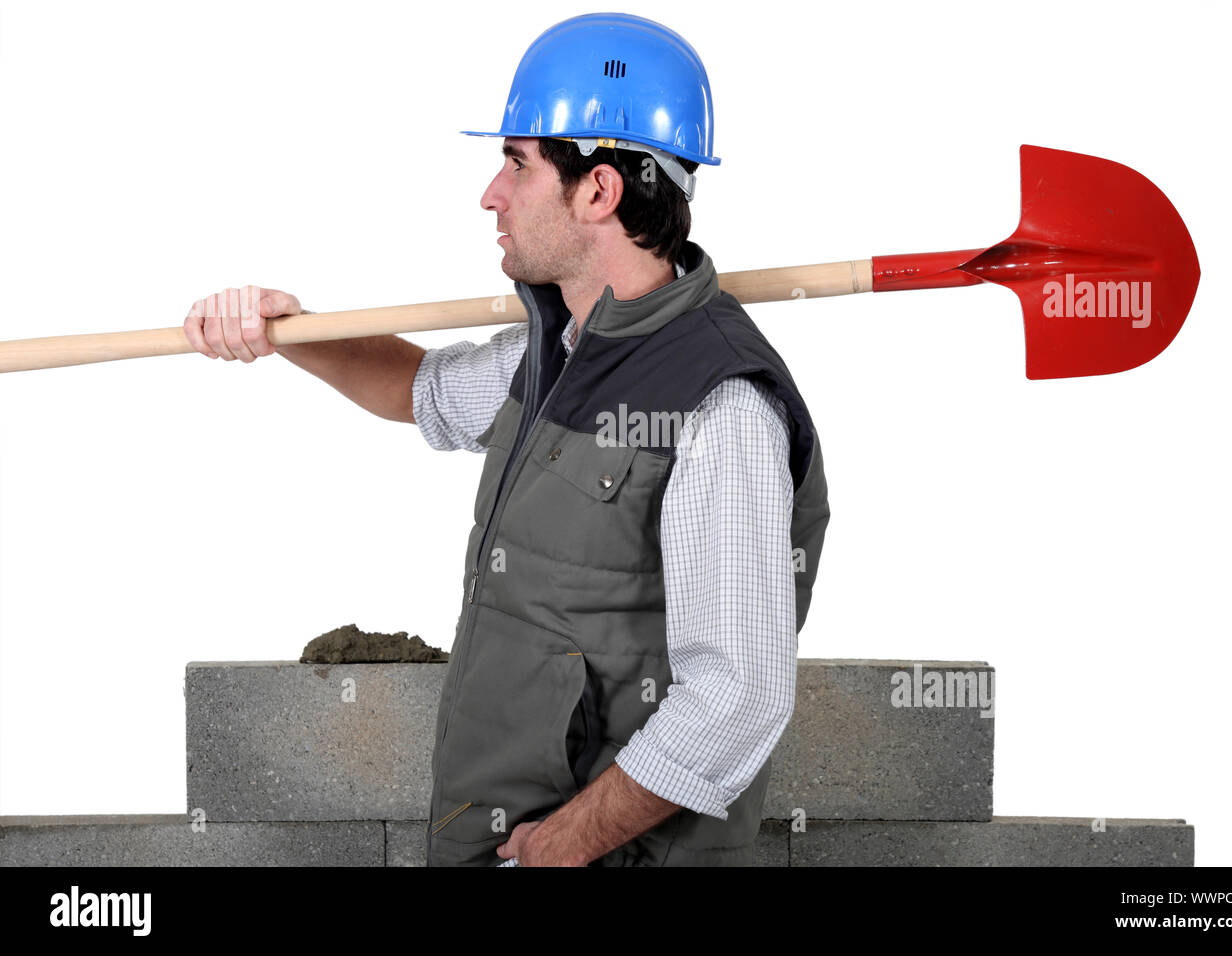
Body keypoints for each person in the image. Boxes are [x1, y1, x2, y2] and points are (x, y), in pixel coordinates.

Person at [182, 12, 830, 867]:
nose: (491, 194)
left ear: (598, 191)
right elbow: (416, 390)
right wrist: (286, 330)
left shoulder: (720, 405)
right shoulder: (558, 349)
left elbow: (737, 699)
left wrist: (563, 843)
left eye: (517, 163)